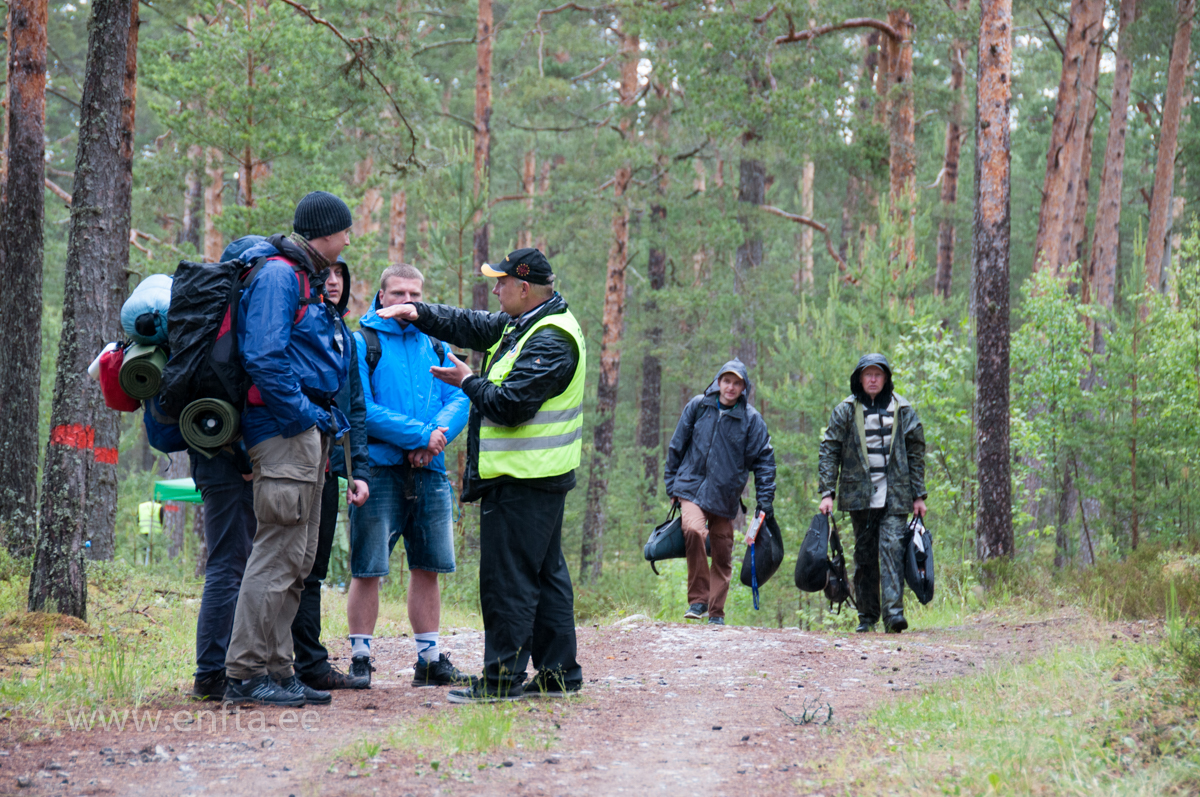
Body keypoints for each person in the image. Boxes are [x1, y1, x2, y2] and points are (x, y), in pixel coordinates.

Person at [378, 247, 584, 703]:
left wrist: (467, 382)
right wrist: (419, 312)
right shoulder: (522, 324)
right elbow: (468, 323)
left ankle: (501, 680)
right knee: (545, 578)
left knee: (507, 581)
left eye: (501, 283)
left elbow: (510, 407)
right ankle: (557, 674)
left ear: (524, 288)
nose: (495, 290)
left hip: (524, 481)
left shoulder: (551, 338)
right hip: (529, 477)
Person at [222, 191, 356, 707]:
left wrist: (319, 421)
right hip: (283, 431)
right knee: (276, 554)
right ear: (323, 230)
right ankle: (245, 673)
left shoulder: (306, 276)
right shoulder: (281, 275)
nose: (348, 239)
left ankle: (279, 671)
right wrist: (305, 416)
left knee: (298, 560)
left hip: (307, 430)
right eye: (343, 230)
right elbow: (264, 357)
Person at [344, 263, 471, 688]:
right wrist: (422, 435)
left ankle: (429, 659)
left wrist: (435, 439)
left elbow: (461, 397)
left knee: (429, 566)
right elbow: (362, 409)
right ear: (381, 298)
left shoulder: (435, 343)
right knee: (368, 567)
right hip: (377, 470)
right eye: (398, 294)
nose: (407, 302)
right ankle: (360, 656)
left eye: (415, 295)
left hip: (429, 472)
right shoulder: (363, 342)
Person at [287, 254, 372, 691]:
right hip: (288, 460)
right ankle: (276, 665)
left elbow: (353, 409)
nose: (335, 281)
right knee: (287, 566)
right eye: (327, 273)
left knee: (314, 567)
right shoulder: (299, 327)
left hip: (327, 467)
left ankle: (312, 666)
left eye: (342, 273)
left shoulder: (346, 338)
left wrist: (355, 470)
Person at [142, 398, 255, 702]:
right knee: (228, 567)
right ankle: (211, 674)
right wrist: (246, 461)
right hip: (230, 462)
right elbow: (235, 393)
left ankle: (219, 670)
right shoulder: (227, 349)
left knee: (230, 566)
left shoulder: (202, 350)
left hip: (209, 453)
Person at [817, 353, 927, 634]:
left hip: (896, 495)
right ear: (860, 378)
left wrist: (918, 495)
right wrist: (827, 492)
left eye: (879, 374)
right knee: (864, 555)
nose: (874, 379)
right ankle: (867, 616)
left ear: (886, 377)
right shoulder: (845, 410)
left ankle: (894, 615)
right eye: (868, 374)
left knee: (892, 548)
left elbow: (916, 451)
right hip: (859, 496)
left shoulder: (902, 408)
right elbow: (829, 449)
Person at [664, 359, 776, 627]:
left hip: (724, 497)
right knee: (693, 530)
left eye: (737, 383)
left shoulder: (751, 420)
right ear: (718, 381)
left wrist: (765, 502)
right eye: (727, 381)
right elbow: (676, 445)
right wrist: (672, 485)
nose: (731, 387)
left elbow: (765, 461)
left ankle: (716, 613)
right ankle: (698, 600)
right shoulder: (699, 406)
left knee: (723, 550)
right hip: (690, 486)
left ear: (743, 388)